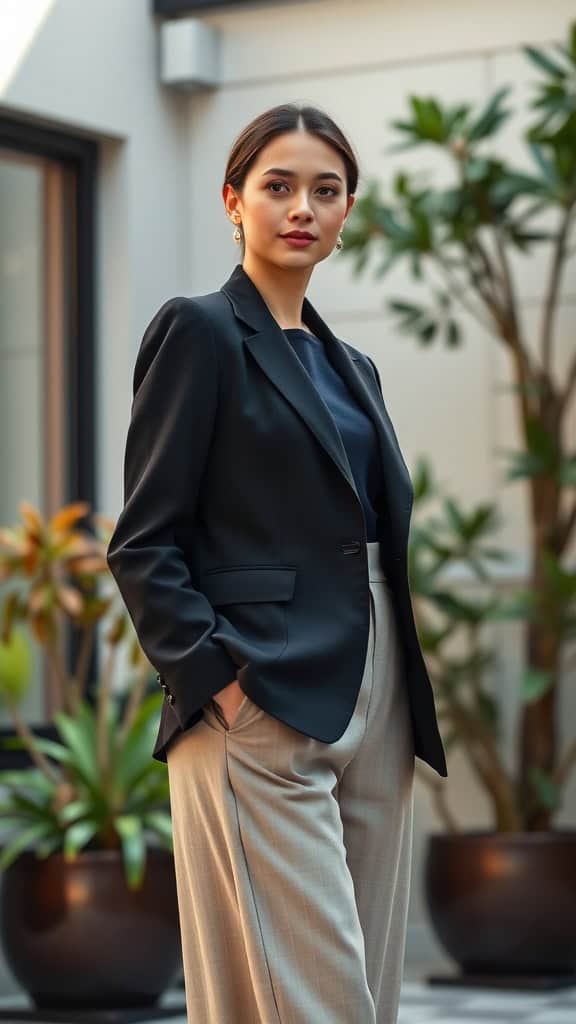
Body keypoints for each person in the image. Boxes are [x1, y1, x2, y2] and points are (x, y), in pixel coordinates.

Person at [106, 102, 448, 1024]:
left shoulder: (356, 368)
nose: (303, 207)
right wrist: (220, 688)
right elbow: (143, 541)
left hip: (376, 689)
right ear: (234, 202)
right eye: (279, 185)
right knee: (313, 994)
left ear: (346, 216)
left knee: (366, 994)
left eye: (325, 191)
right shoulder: (201, 332)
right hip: (260, 693)